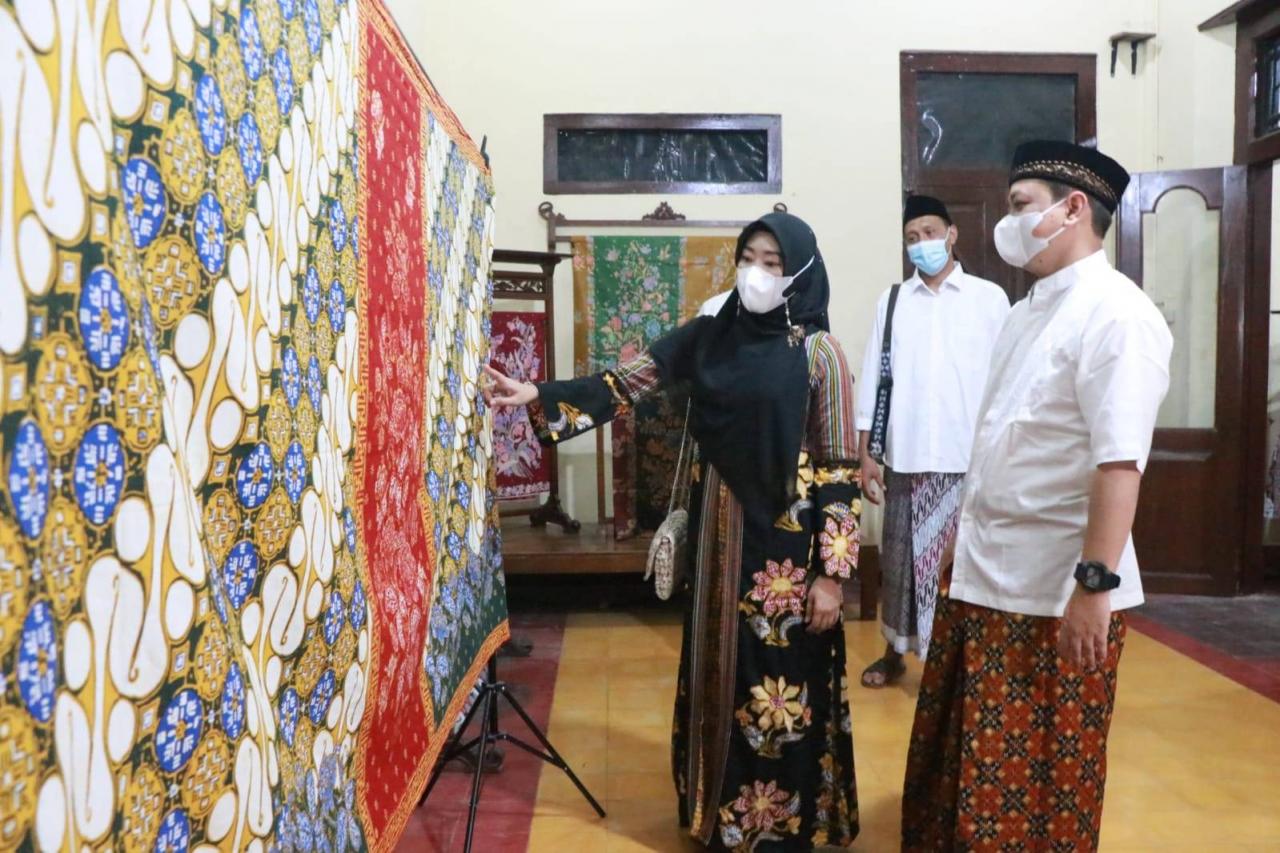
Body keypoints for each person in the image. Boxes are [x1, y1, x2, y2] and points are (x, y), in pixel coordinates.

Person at [485, 212, 862, 850]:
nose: (757, 273)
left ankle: (778, 825)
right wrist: (537, 394)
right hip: (717, 535)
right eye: (749, 258)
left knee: (779, 675)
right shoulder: (710, 336)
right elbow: (624, 384)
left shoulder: (819, 354)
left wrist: (833, 574)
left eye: (773, 263)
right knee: (716, 664)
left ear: (799, 271)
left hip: (787, 550)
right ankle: (713, 813)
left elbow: (840, 468)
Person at [901, 140, 1172, 851]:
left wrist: (1093, 587)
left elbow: (1119, 465)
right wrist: (961, 536)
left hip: (1055, 591)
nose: (1009, 221)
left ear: (1074, 208)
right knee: (964, 761)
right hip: (987, 573)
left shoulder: (1117, 316)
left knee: (1038, 776)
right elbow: (998, 436)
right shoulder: (1027, 312)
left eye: (1022, 205)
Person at [855, 195, 1010, 688]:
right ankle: (894, 653)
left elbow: (1007, 380)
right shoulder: (893, 302)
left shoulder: (990, 299)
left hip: (968, 460)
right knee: (901, 563)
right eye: (911, 237)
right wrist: (867, 454)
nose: (921, 243)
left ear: (951, 234)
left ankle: (960, 661)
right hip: (907, 455)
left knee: (960, 567)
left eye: (929, 233)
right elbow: (874, 381)